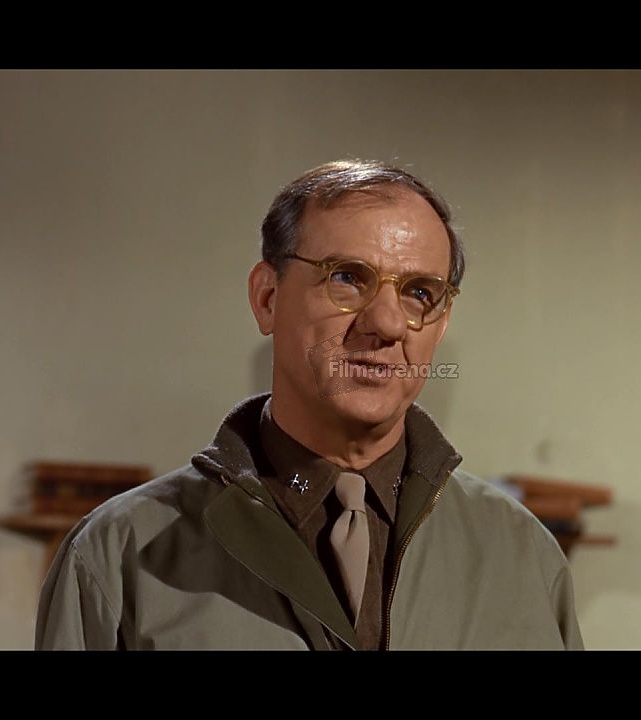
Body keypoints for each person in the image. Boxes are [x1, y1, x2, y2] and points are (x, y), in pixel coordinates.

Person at [34, 159, 584, 650]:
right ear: (267, 298)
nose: (388, 324)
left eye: (419, 292)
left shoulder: (524, 555)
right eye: (347, 279)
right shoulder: (117, 557)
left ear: (440, 324)